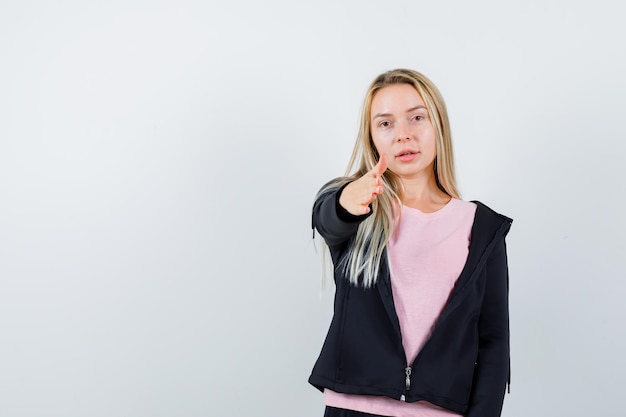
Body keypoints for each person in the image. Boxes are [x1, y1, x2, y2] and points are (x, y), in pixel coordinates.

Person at [309, 69, 512, 417]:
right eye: (385, 124)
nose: (403, 135)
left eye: (416, 118)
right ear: (372, 138)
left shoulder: (481, 227)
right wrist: (347, 202)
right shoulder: (357, 210)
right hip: (354, 409)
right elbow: (327, 218)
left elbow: (493, 342)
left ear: (438, 126)